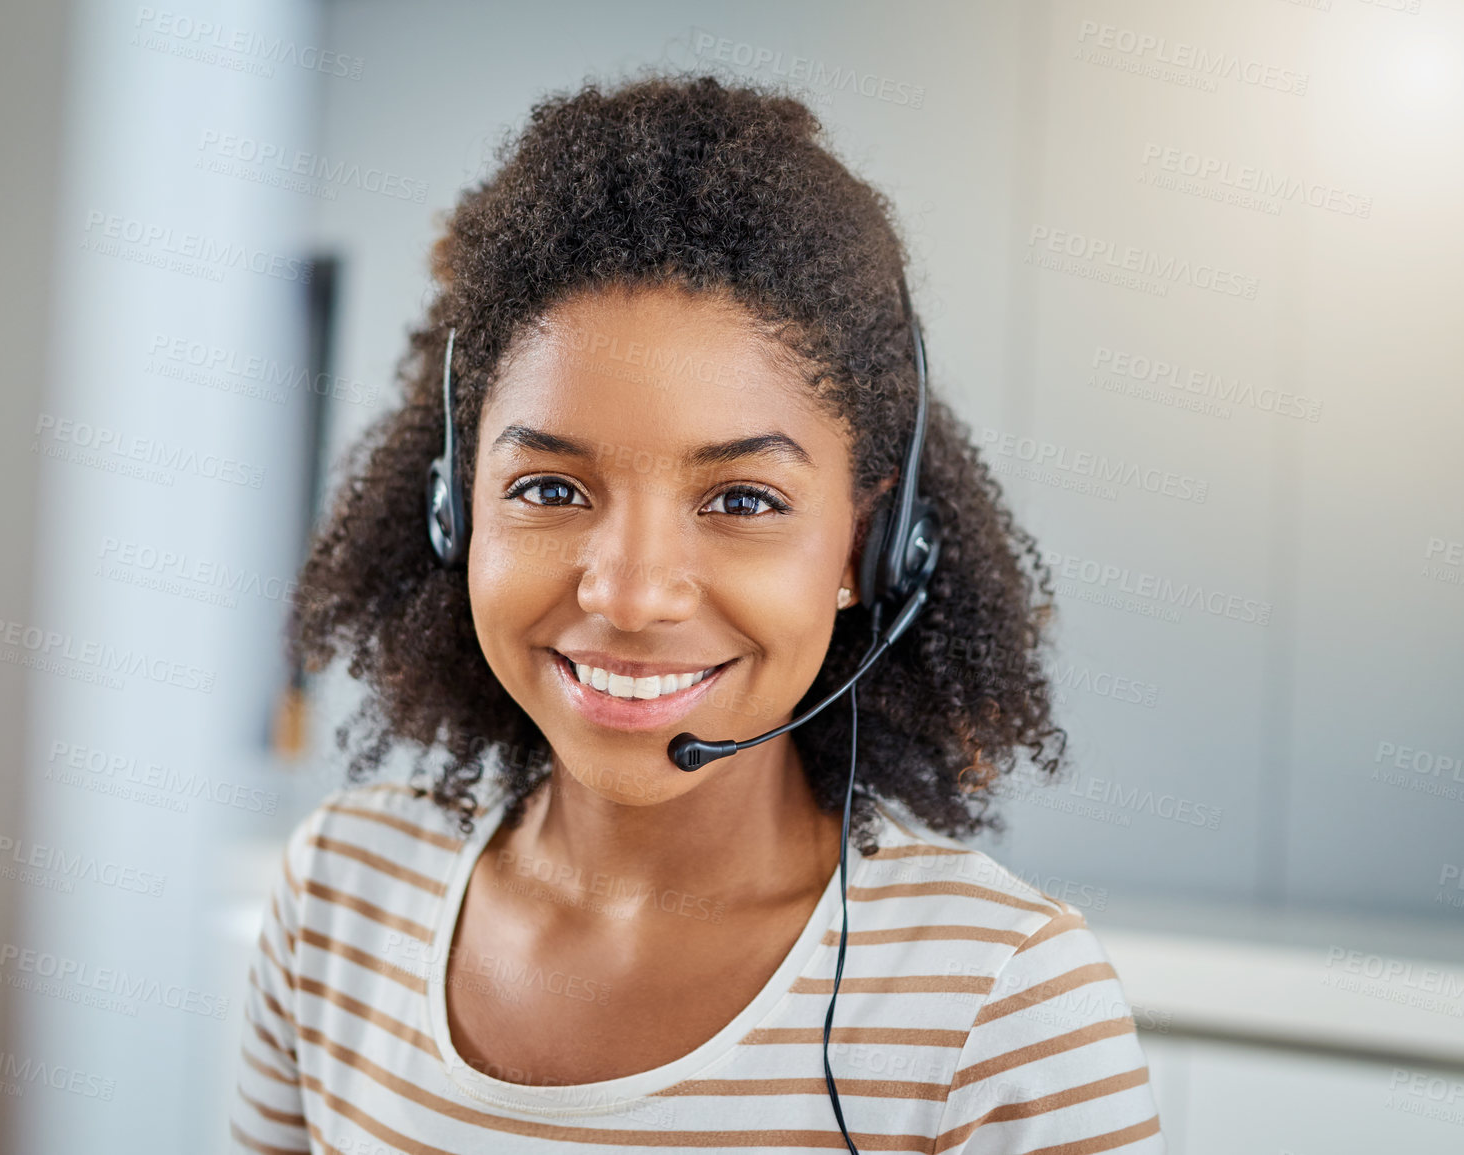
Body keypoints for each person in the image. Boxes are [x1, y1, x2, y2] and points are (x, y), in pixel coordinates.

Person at [231, 72, 1164, 1154]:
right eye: (549, 489)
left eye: (740, 500)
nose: (628, 595)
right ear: (456, 512)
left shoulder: (1001, 1012)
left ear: (869, 549)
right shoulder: (339, 899)